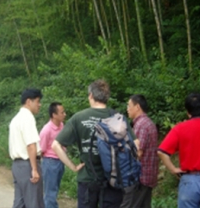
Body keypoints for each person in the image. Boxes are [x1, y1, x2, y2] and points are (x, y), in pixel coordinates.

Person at [52, 79, 138, 208]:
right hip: (114, 179)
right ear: (107, 97)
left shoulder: (79, 117)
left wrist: (73, 167)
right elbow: (136, 144)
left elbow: (55, 145)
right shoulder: (117, 117)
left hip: (88, 179)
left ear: (91, 95)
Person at [158, 93, 200, 207]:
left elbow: (162, 151)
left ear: (188, 112)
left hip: (190, 181)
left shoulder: (180, 128)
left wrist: (173, 169)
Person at [121, 94, 158, 208]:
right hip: (147, 176)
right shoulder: (147, 123)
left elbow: (138, 152)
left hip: (139, 178)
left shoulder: (141, 125)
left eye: (129, 106)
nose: (127, 109)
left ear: (137, 107)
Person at [9, 88, 44, 208]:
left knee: (20, 203)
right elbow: (30, 145)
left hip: (17, 166)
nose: (39, 105)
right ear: (29, 101)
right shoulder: (28, 118)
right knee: (34, 202)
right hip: (28, 165)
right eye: (38, 101)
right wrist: (34, 169)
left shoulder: (15, 119)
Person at [39, 102, 66, 208]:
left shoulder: (62, 126)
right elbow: (41, 150)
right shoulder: (46, 130)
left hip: (60, 161)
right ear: (54, 115)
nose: (65, 114)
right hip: (50, 162)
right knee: (50, 193)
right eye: (62, 112)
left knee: (55, 191)